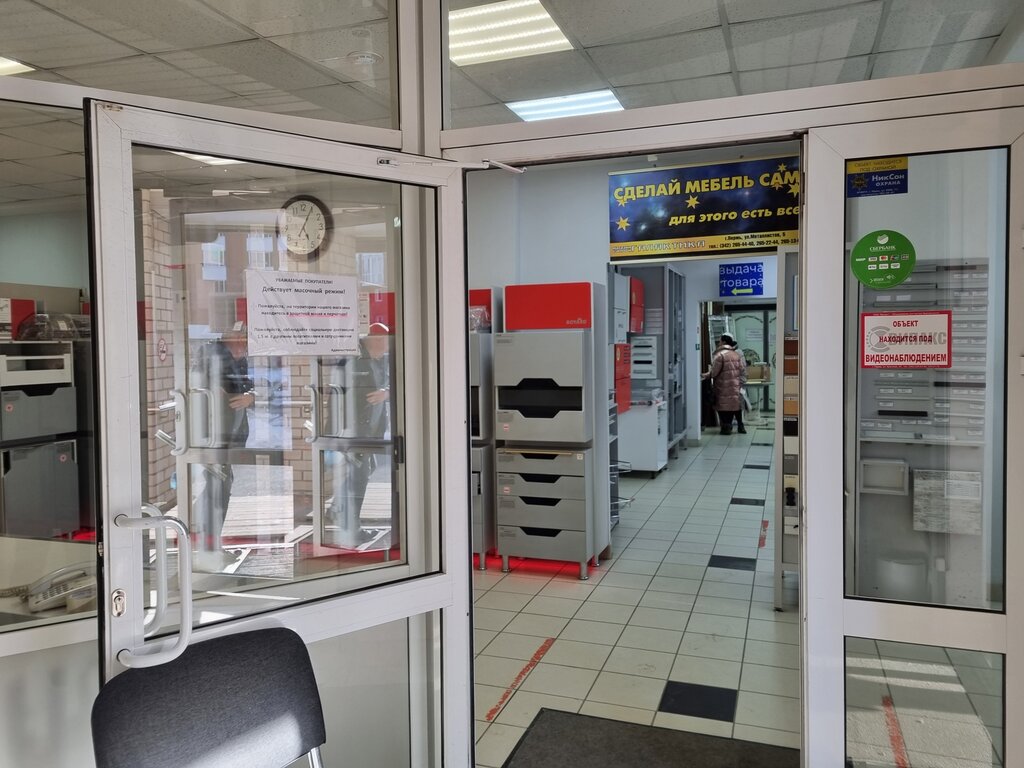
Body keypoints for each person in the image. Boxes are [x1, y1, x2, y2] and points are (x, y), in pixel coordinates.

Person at [191, 322, 254, 572]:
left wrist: (251, 397)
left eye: (245, 340)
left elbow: (247, 387)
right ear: (230, 337)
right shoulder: (212, 355)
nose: (244, 344)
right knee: (215, 491)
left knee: (220, 490)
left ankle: (211, 546)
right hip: (212, 438)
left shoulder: (239, 360)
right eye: (241, 338)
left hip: (229, 439)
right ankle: (207, 550)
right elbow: (204, 389)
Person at [326, 322, 392, 548]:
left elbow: (391, 383)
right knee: (358, 479)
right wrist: (338, 435)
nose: (387, 349)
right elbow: (338, 398)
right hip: (353, 433)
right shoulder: (353, 360)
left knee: (364, 471)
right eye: (386, 344)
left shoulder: (379, 360)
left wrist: (386, 393)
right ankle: (352, 530)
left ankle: (336, 509)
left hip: (369, 433)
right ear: (376, 341)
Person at [702, 332, 747, 435]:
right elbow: (742, 370)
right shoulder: (736, 354)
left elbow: (714, 372)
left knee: (722, 406)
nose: (718, 343)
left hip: (723, 387)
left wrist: (706, 375)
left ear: (723, 342)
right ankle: (737, 425)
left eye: (720, 341)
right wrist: (740, 382)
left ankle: (726, 427)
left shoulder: (720, 355)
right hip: (735, 386)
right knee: (734, 406)